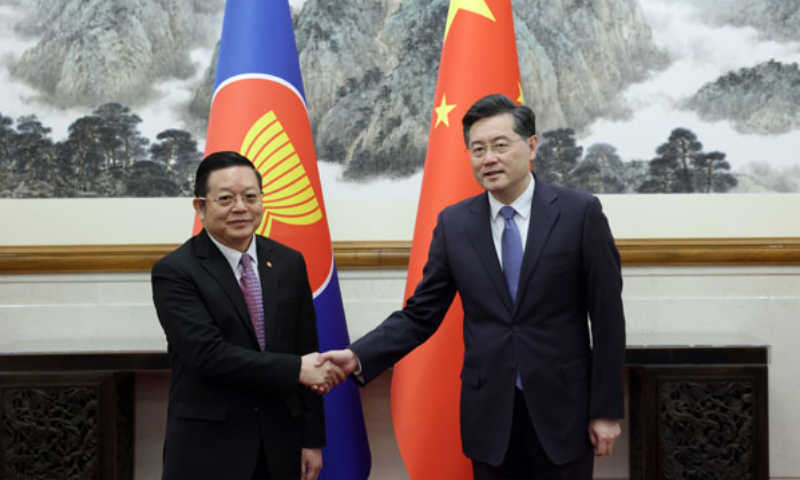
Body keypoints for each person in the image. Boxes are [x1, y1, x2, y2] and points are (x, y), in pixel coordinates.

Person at [320, 94, 626, 479]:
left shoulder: (580, 213)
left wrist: (606, 410)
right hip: (490, 414)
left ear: (531, 145)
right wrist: (357, 355)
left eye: (500, 145)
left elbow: (608, 317)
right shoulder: (455, 225)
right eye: (477, 149)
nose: (489, 158)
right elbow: (420, 314)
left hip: (564, 409)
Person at [152, 151, 344, 480]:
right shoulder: (175, 271)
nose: (240, 207)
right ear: (200, 207)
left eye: (250, 197)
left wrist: (312, 440)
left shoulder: (288, 262)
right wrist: (296, 369)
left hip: (280, 444)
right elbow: (207, 355)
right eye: (225, 198)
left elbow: (306, 347)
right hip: (209, 448)